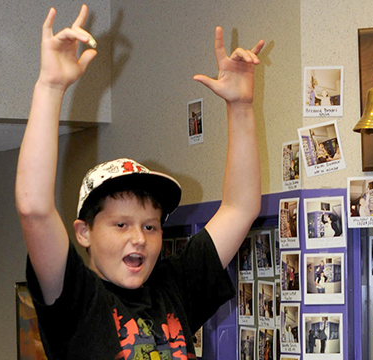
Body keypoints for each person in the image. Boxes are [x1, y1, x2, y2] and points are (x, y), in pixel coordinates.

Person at [15, 6, 264, 359]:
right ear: (84, 232)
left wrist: (240, 107)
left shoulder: (173, 286)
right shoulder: (75, 298)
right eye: (121, 224)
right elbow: (34, 209)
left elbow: (241, 209)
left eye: (150, 226)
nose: (139, 238)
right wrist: (51, 86)